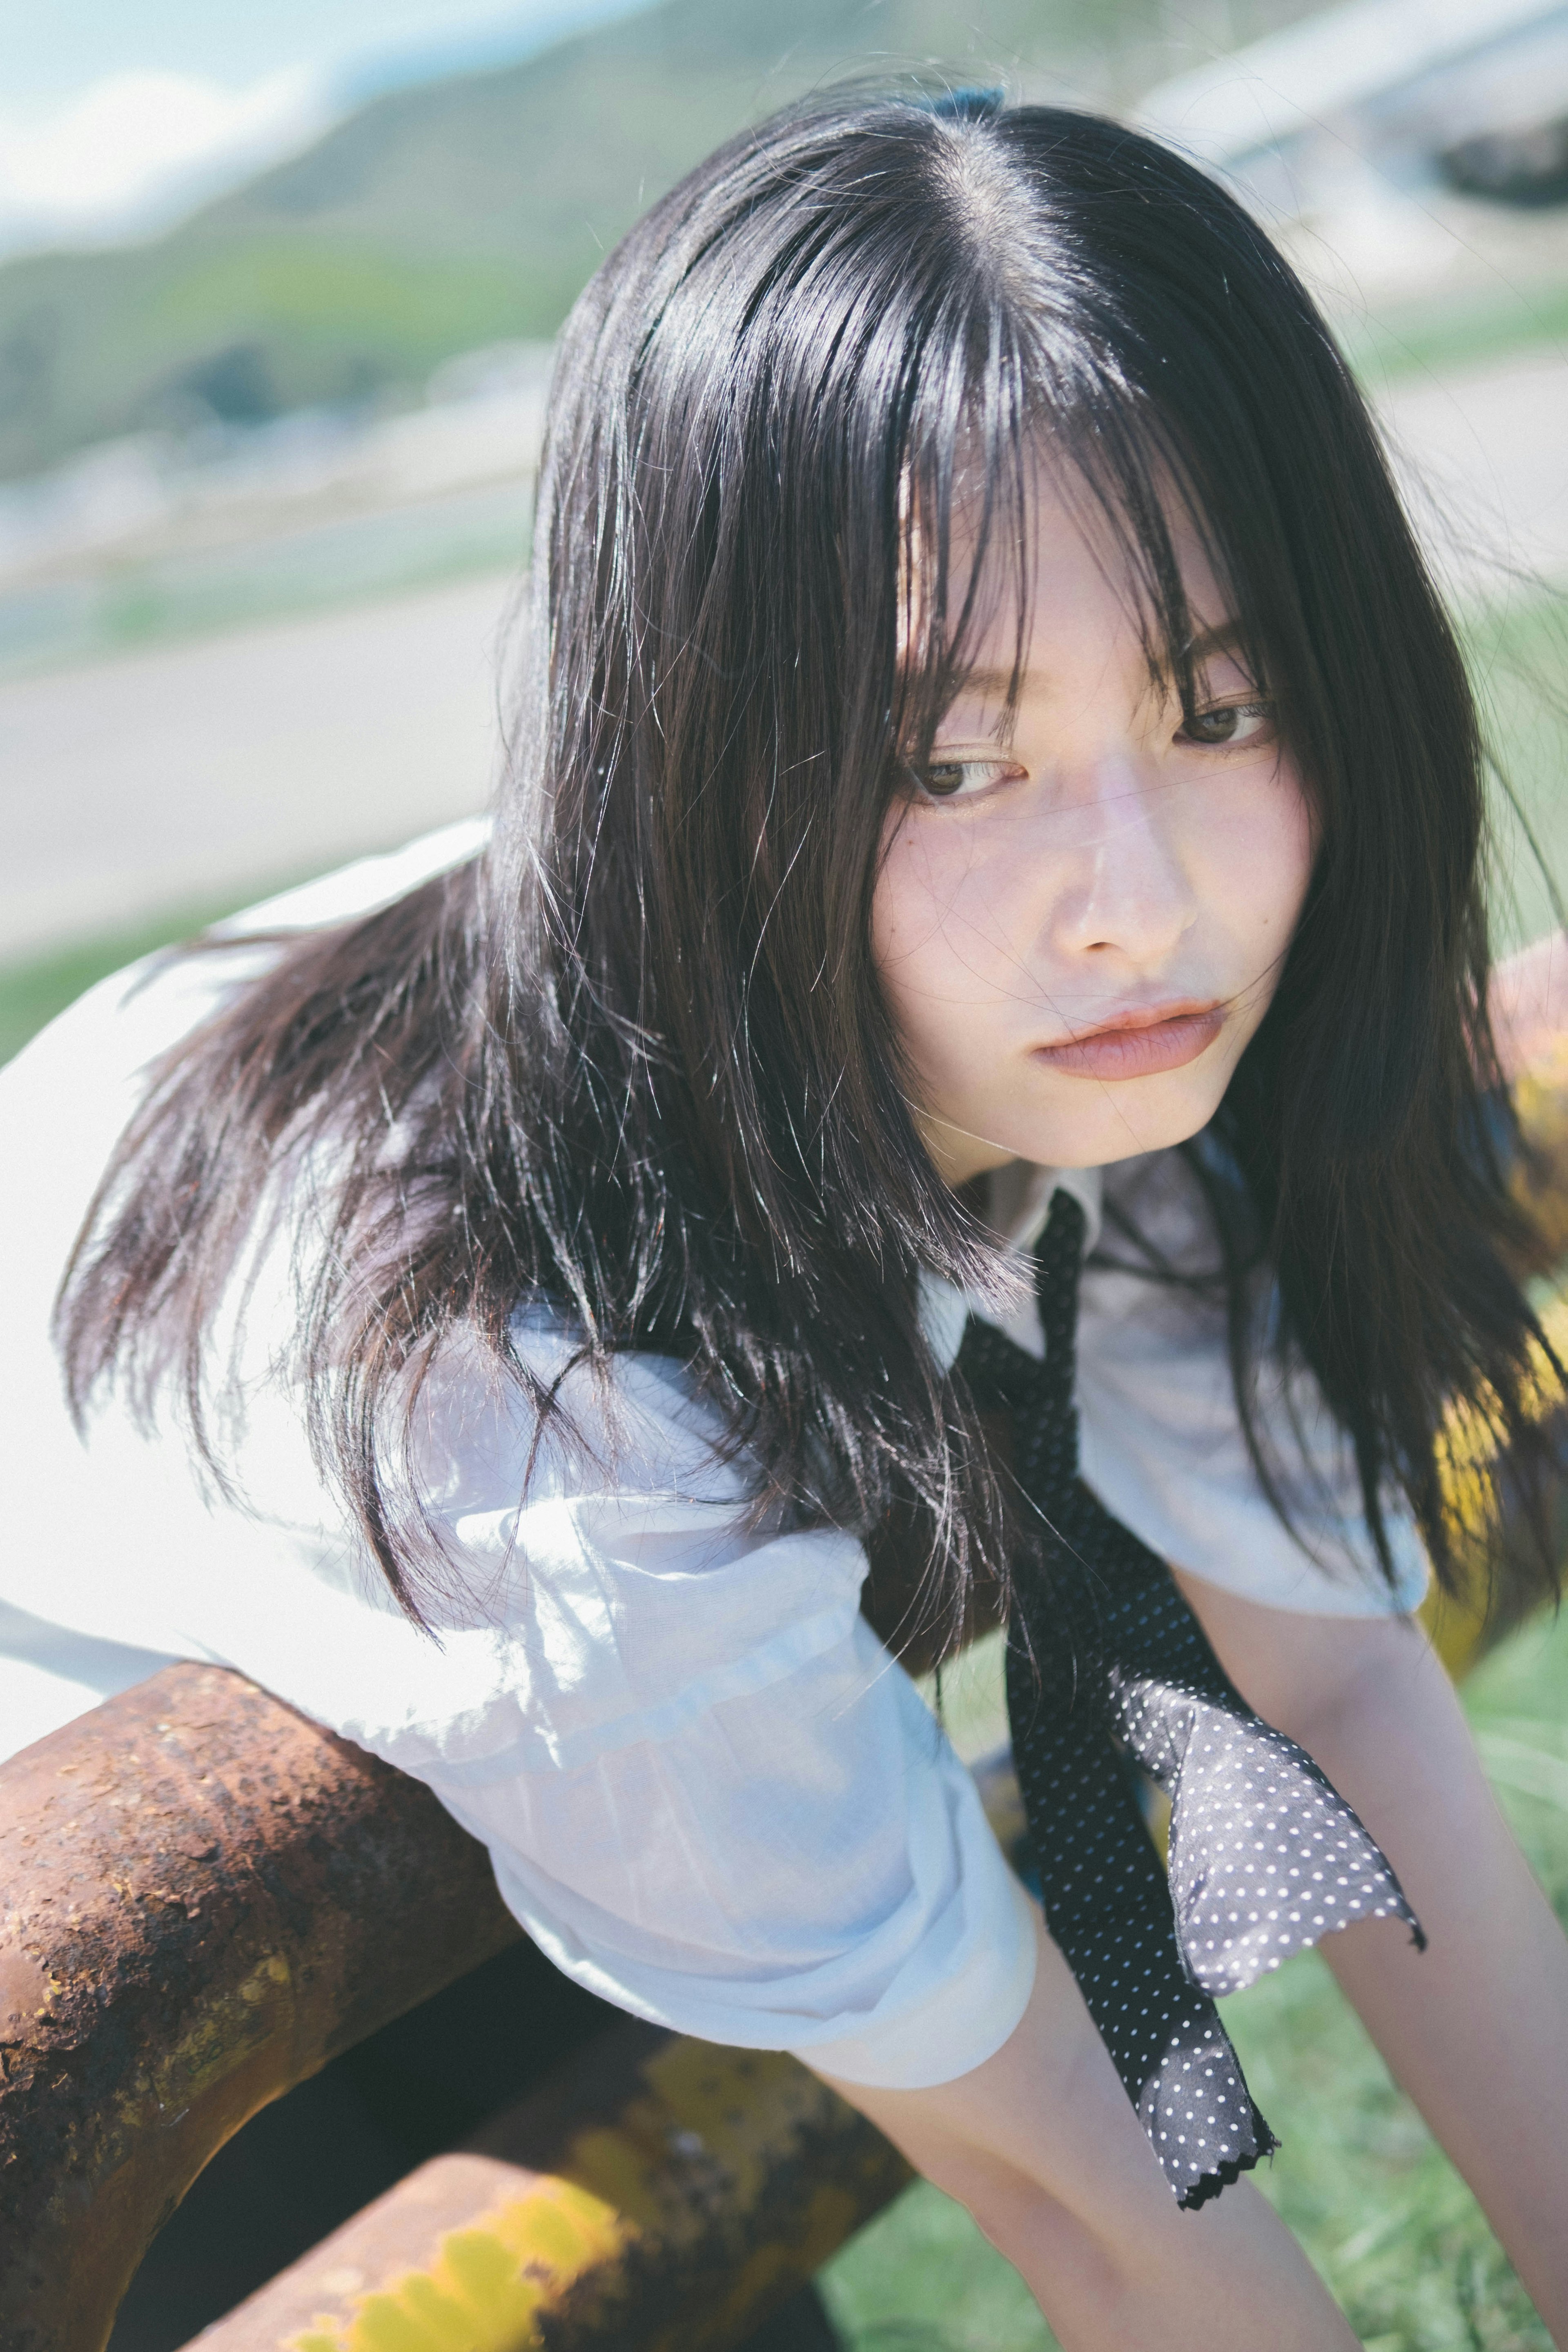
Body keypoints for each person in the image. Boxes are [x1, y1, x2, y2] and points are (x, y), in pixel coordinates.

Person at [2, 90, 1566, 2350]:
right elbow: (1104, 2221)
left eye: (1224, 703)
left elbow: (1337, 1679)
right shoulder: (545, 1421)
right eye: (953, 762)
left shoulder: (1102, 1033)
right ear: (706, 759)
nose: (1139, 904)